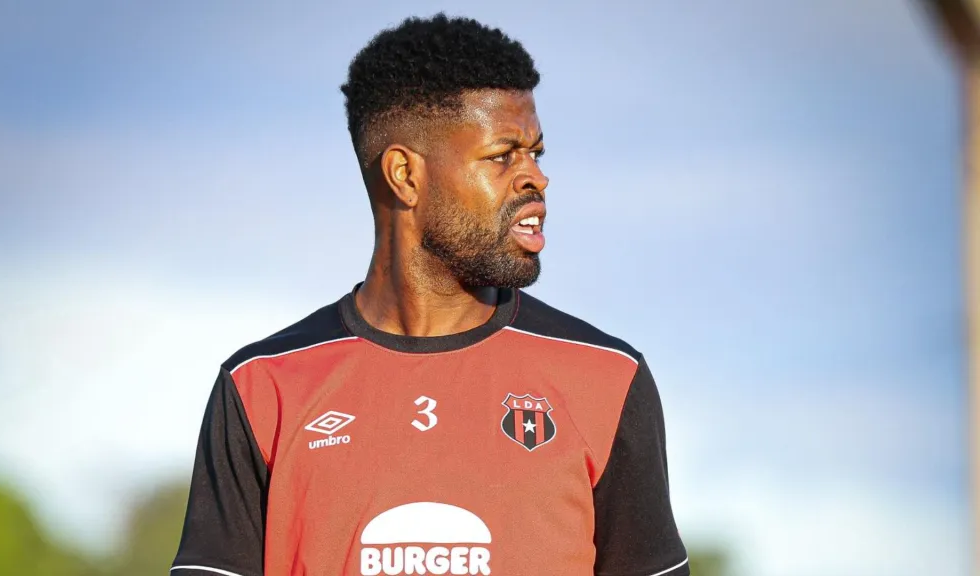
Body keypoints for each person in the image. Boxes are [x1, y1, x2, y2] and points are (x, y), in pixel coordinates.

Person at [171, 13, 688, 576]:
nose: (535, 178)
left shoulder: (606, 379)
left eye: (536, 152)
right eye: (502, 154)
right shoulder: (263, 385)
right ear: (405, 175)